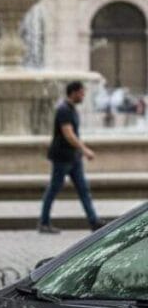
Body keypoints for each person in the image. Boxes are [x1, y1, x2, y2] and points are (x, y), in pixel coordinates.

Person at [39, 81, 104, 234]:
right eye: (81, 93)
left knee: (83, 190)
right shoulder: (64, 110)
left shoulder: (71, 109)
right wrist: (85, 150)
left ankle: (94, 221)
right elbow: (68, 134)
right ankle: (44, 222)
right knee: (54, 189)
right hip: (62, 157)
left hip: (73, 157)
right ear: (73, 93)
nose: (83, 96)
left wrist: (80, 152)